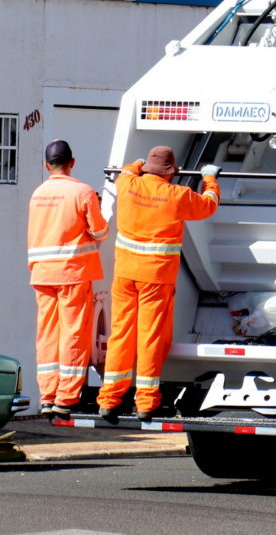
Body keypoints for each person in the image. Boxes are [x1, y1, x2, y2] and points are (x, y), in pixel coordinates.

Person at [97, 146, 220, 421]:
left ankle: (108, 398)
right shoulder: (177, 195)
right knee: (149, 337)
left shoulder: (127, 183)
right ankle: (145, 402)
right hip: (156, 278)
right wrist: (210, 179)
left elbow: (127, 170)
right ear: (171, 172)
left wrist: (137, 162)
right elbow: (208, 204)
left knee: (120, 335)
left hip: (125, 274)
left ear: (147, 168)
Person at [27, 140, 108, 418]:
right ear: (72, 162)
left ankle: (47, 396)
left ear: (46, 165)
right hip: (73, 273)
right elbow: (99, 233)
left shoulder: (38, 194)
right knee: (73, 333)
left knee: (47, 335)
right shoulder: (82, 191)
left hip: (42, 273)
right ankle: (66, 397)